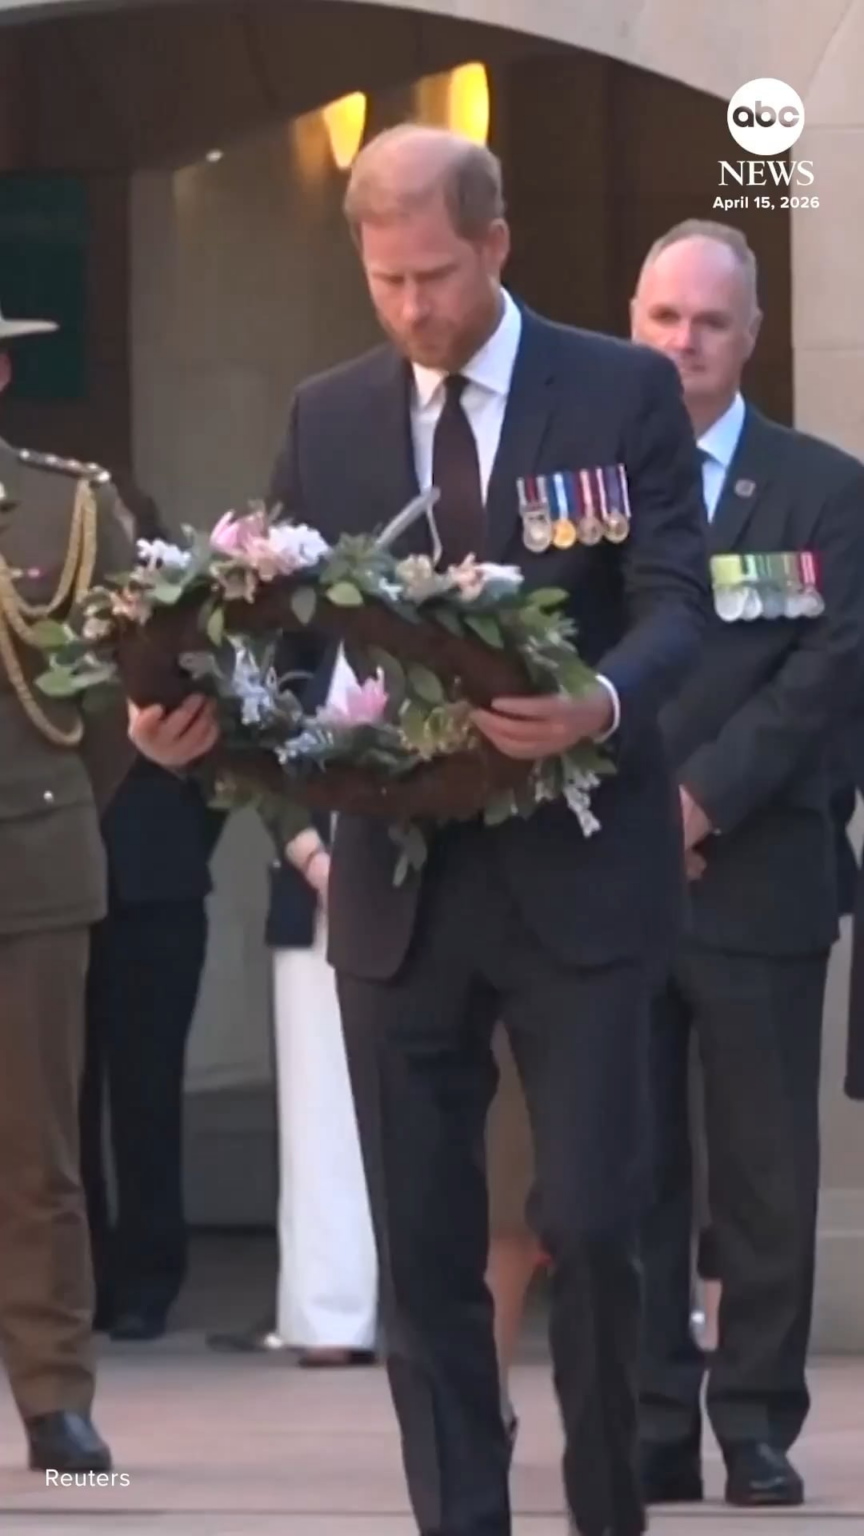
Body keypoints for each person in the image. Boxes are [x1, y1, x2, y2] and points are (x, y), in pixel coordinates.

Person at [128, 125, 710, 1536]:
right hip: (400, 895)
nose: (411, 308)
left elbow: (680, 601)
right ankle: (459, 1515)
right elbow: (264, 616)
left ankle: (606, 1509)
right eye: (385, 279)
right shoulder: (331, 414)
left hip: (579, 877)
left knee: (591, 1217)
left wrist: (602, 708)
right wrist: (180, 721)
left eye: (435, 276)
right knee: (427, 1248)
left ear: (496, 244)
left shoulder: (620, 388)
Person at [631, 220, 864, 1509]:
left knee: (767, 1171)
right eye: (664, 318)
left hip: (761, 876)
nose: (683, 343)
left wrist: (699, 801)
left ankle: (758, 1421)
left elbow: (828, 675)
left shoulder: (824, 487)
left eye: (709, 322)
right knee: (633, 1169)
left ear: (752, 335)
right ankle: (655, 1414)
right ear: (633, 322)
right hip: (611, 884)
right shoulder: (591, 482)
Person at [0, 300, 132, 1470]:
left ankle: (53, 1393)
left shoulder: (68, 508)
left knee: (35, 1152)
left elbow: (115, 708)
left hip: (26, 863)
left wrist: (57, 811)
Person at [208, 650, 378, 1365]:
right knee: (319, 1113)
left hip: (418, 894)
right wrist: (315, 861)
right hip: (315, 900)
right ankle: (328, 1313)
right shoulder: (284, 632)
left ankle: (362, 1313)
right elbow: (257, 755)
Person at [79, 752, 226, 1341]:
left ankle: (148, 1280)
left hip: (160, 880)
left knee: (151, 1092)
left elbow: (219, 763)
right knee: (61, 1097)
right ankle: (77, 1275)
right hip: (53, 890)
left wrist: (186, 833)